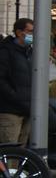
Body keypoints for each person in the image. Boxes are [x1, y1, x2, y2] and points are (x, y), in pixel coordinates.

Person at [0, 18, 33, 146]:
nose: (33, 35)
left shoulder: (30, 52)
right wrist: (16, 96)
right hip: (10, 111)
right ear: (19, 33)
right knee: (10, 150)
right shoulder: (6, 52)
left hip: (27, 109)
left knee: (21, 152)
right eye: (30, 31)